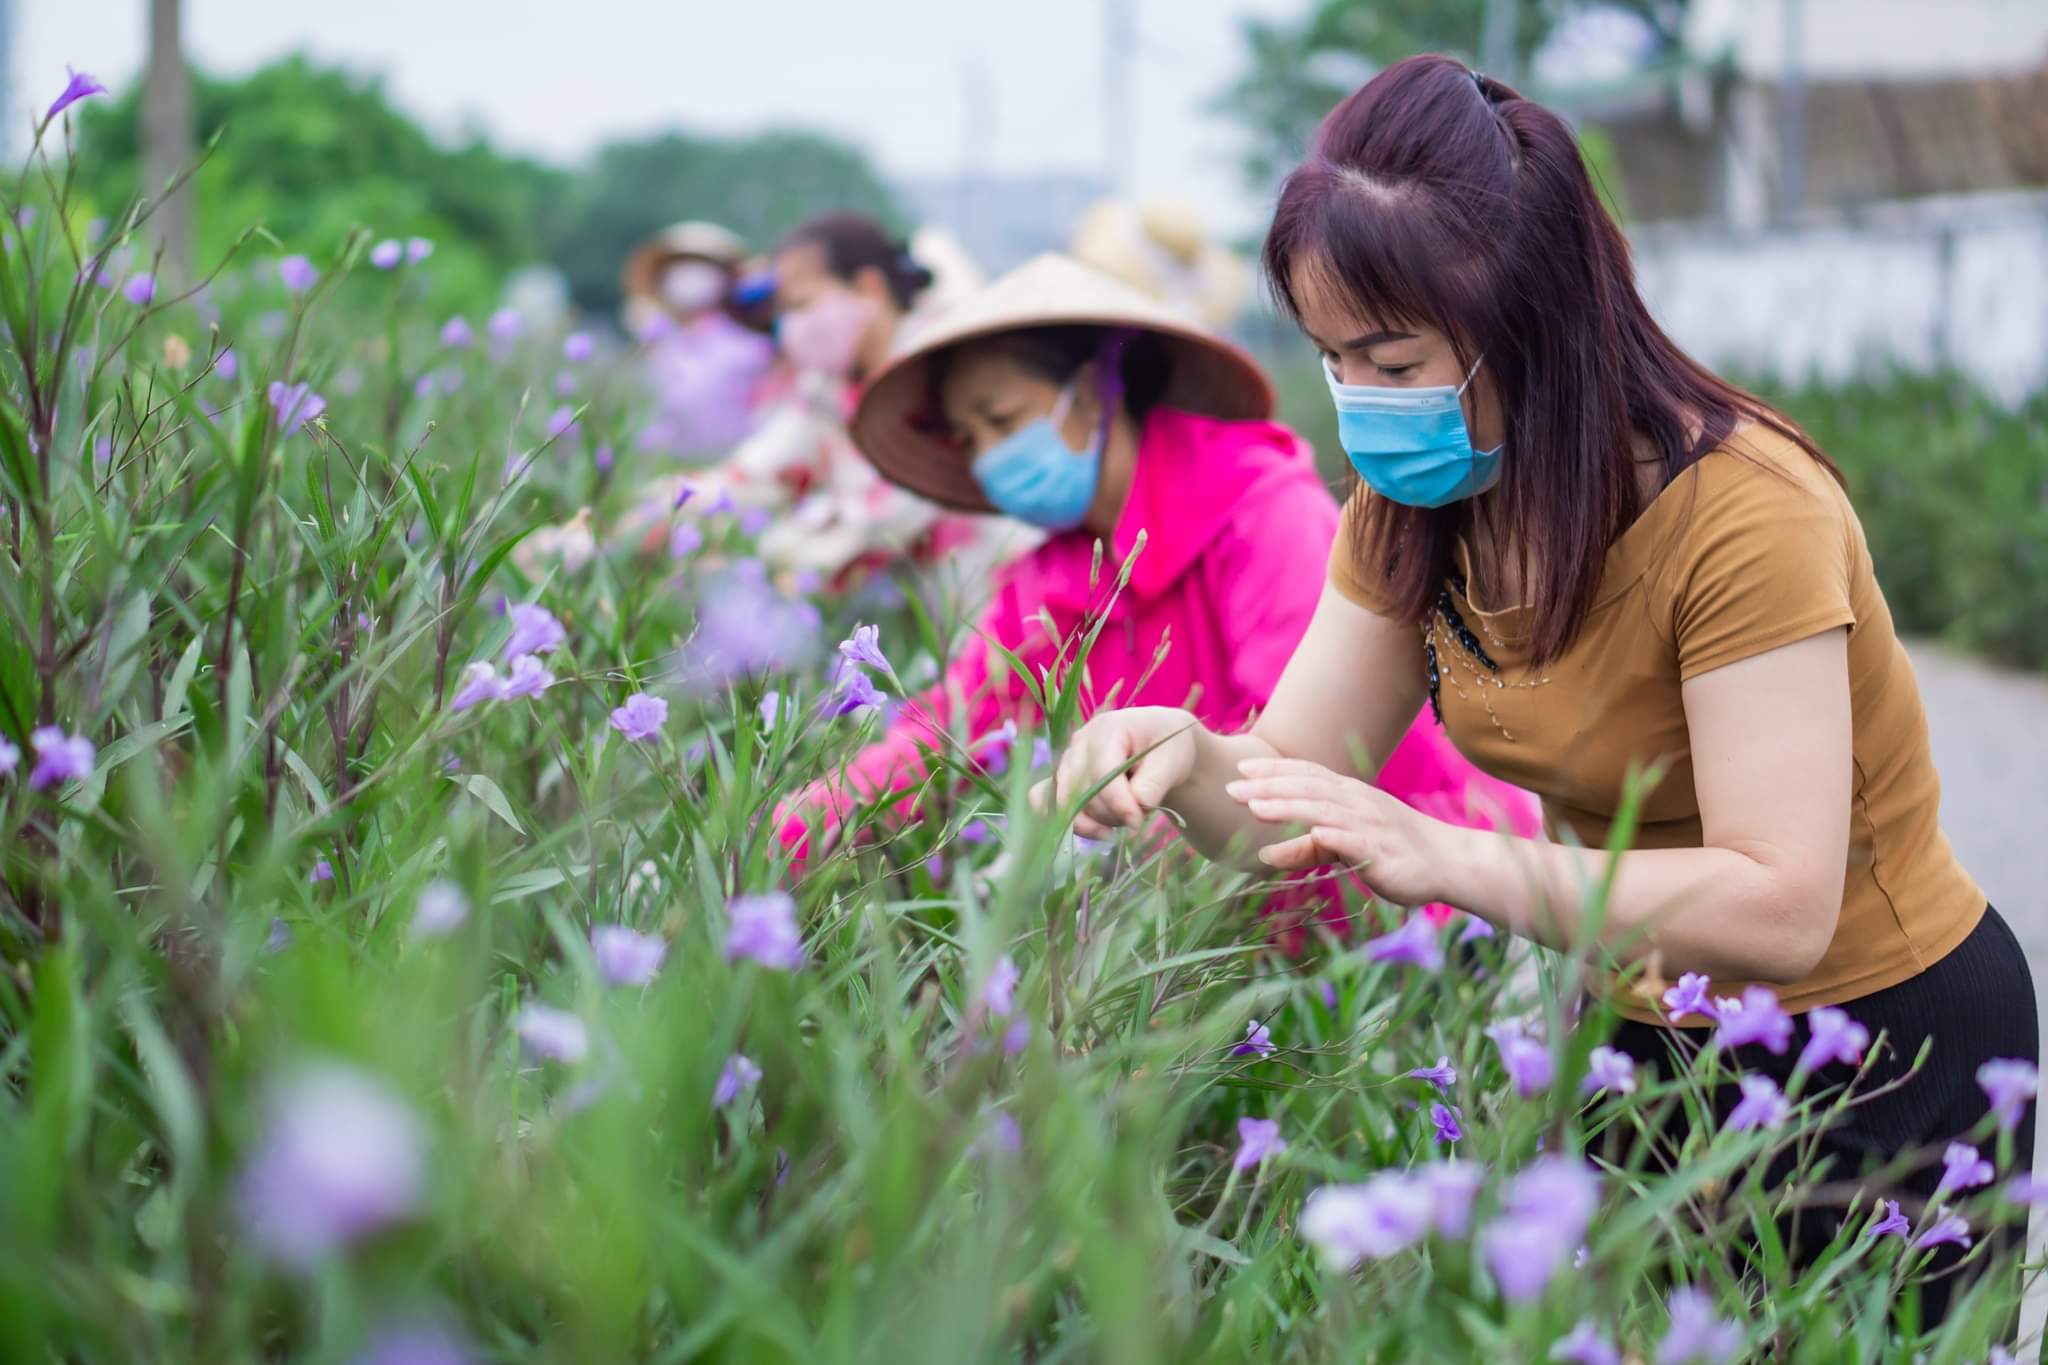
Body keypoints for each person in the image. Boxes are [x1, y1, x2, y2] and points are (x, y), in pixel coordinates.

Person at [1035, 56, 2036, 1321]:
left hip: (1881, 1042)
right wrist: (1179, 752)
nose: (1360, 403)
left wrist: (1445, 856)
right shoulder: (1409, 515)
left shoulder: (1740, 515)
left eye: (1393, 361)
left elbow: (1778, 902)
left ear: (1536, 322)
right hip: (1645, 1031)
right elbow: (1291, 787)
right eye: (1334, 360)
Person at [782, 252, 1538, 926]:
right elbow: (941, 736)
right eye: (971, 440)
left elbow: (1300, 759)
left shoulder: (1259, 506)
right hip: (1233, 918)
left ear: (1091, 388)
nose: (989, 459)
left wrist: (1129, 836)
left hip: (1416, 903)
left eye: (1004, 419)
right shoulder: (1046, 580)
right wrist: (778, 841)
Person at [621, 220, 775, 459]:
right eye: (680, 266)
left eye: (701, 266)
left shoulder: (753, 349)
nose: (689, 274)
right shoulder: (657, 344)